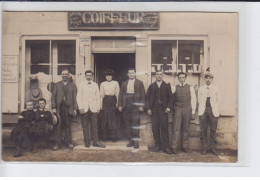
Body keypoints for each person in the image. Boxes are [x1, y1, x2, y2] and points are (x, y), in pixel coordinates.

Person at [77, 70, 106, 148]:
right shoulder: (81, 84)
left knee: (94, 126)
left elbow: (98, 97)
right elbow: (78, 97)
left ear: (92, 76)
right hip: (84, 108)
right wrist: (80, 107)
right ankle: (87, 142)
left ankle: (96, 142)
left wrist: (98, 108)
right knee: (85, 126)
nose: (89, 77)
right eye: (87, 75)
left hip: (93, 108)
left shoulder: (95, 85)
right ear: (85, 76)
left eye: (90, 75)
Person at [146, 70, 173, 154]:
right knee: (155, 128)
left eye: (161, 74)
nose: (159, 76)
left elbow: (171, 98)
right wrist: (148, 108)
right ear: (155, 76)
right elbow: (147, 99)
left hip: (164, 110)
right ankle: (158, 146)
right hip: (154, 110)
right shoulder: (151, 86)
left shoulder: (167, 86)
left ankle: (166, 147)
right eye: (157, 74)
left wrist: (168, 107)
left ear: (163, 76)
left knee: (164, 128)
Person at [118, 68, 145, 149]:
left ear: (135, 73)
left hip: (135, 105)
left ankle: (136, 142)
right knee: (128, 124)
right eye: (129, 73)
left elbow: (143, 95)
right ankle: (131, 141)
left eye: (132, 73)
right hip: (126, 105)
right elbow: (121, 95)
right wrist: (120, 105)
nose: (131, 74)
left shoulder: (139, 83)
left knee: (135, 124)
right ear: (128, 74)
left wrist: (141, 106)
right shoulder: (124, 83)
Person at [51, 68, 78, 150]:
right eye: (63, 74)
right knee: (58, 126)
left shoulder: (73, 85)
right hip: (59, 108)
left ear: (69, 75)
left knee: (68, 126)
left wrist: (75, 109)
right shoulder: (57, 85)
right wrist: (54, 107)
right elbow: (53, 97)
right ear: (61, 75)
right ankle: (57, 143)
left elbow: (75, 98)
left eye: (66, 74)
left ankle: (68, 142)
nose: (64, 76)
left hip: (68, 108)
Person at [171, 72, 196, 154]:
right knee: (176, 129)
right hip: (178, 109)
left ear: (185, 78)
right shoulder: (174, 87)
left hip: (187, 109)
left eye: (183, 77)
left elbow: (193, 100)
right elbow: (171, 98)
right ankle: (174, 147)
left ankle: (184, 146)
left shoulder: (190, 87)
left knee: (185, 129)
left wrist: (193, 112)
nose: (181, 79)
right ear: (178, 78)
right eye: (180, 77)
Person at [198, 71, 220, 155]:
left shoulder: (215, 88)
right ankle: (204, 148)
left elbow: (218, 100)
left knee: (213, 130)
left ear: (212, 79)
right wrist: (202, 108)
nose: (208, 79)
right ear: (204, 79)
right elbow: (199, 100)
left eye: (209, 78)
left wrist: (215, 109)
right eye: (206, 78)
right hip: (203, 110)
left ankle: (212, 147)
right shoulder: (201, 88)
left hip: (213, 110)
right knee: (203, 130)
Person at [99, 69, 120, 141]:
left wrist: (117, 102)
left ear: (112, 76)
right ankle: (104, 137)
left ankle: (113, 137)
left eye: (110, 75)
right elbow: (101, 95)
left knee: (113, 118)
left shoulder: (115, 83)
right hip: (105, 101)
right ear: (105, 76)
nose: (108, 77)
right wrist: (101, 104)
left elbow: (117, 94)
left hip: (113, 101)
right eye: (107, 75)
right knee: (105, 119)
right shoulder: (102, 84)